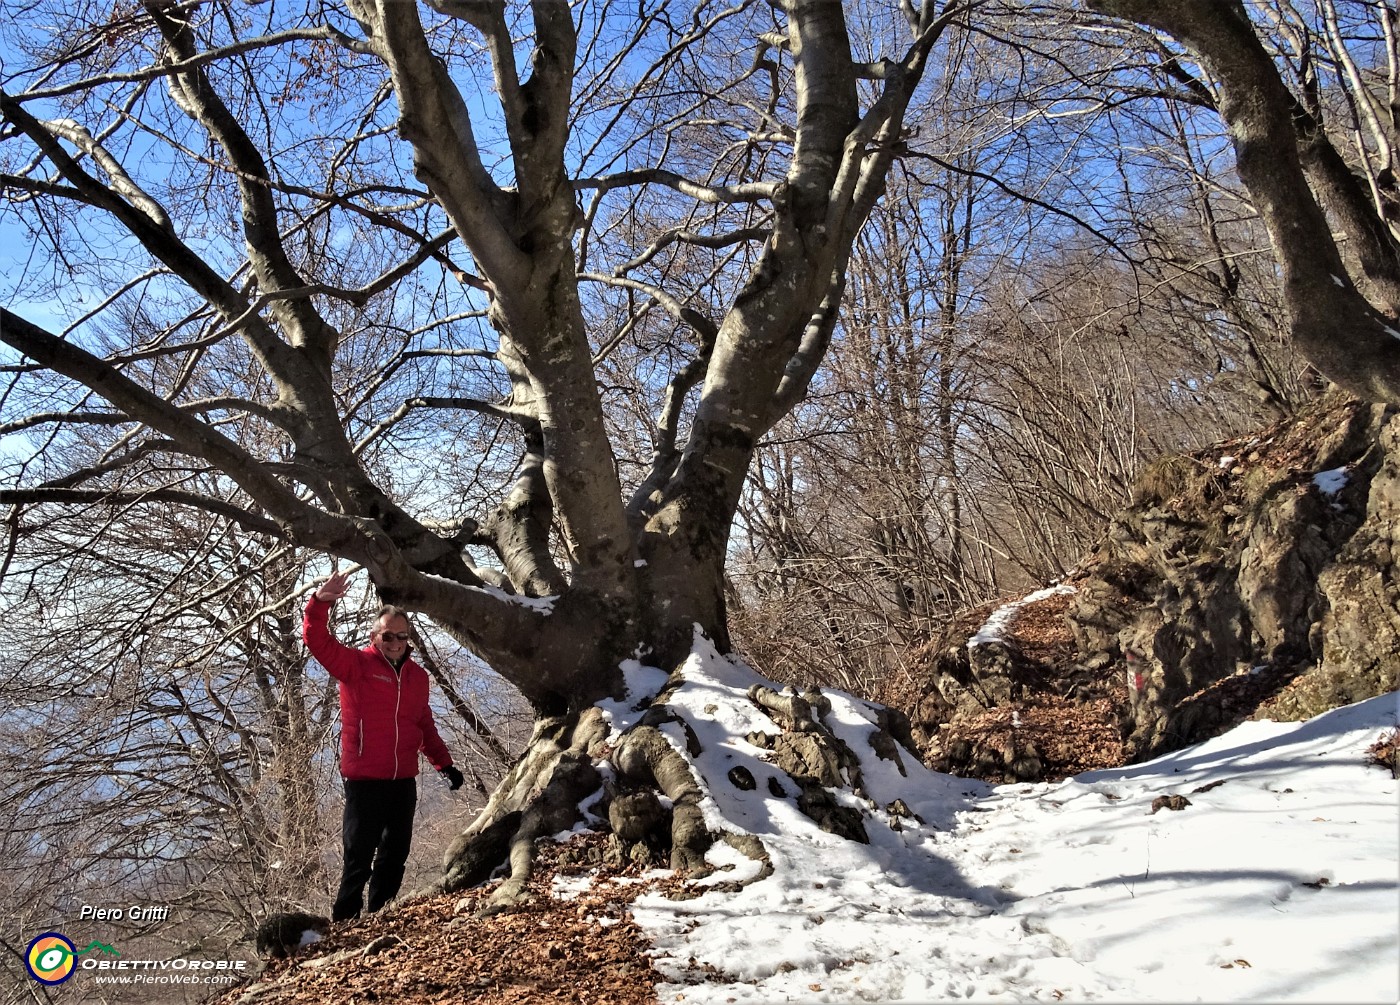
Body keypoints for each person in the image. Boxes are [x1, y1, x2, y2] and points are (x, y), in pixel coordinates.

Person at [302, 569, 465, 921]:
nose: (395, 642)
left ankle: (381, 918)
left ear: (409, 638)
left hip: (402, 780)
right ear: (375, 636)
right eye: (388, 635)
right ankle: (344, 923)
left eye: (402, 636)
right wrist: (320, 603)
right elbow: (317, 642)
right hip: (364, 781)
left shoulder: (417, 677)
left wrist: (444, 763)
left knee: (394, 855)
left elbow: (423, 724)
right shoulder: (356, 666)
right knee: (358, 858)